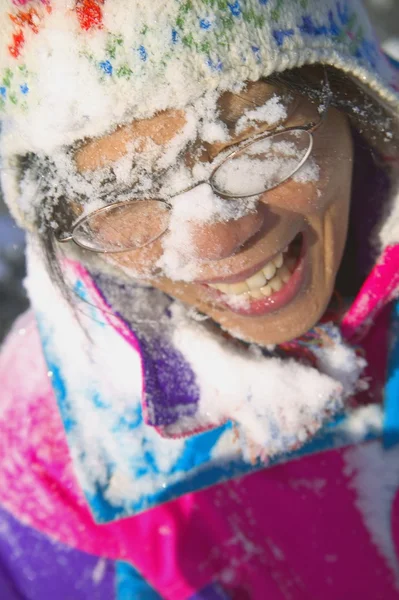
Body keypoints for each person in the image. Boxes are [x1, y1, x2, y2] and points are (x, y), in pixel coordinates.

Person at [1, 0, 399, 598]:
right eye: (120, 195)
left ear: (357, 104)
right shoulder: (42, 449)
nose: (215, 240)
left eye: (257, 140)